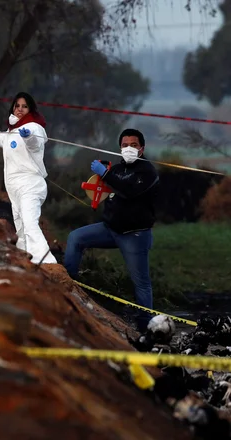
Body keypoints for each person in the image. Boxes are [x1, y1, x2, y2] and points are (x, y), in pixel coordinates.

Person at [63, 128, 159, 331]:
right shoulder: (116, 169)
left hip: (135, 235)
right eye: (125, 145)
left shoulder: (147, 172)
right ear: (120, 148)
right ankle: (68, 285)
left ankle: (146, 330)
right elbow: (105, 189)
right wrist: (102, 177)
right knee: (75, 238)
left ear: (142, 149)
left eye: (133, 145)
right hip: (110, 229)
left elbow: (129, 189)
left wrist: (106, 173)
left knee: (141, 283)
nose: (129, 149)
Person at [0, 92, 57, 265]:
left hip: (30, 184)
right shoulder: (12, 131)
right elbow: (1, 138)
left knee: (30, 222)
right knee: (20, 225)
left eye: (24, 106)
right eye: (17, 105)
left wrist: (28, 137)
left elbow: (35, 143)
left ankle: (47, 263)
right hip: (14, 187)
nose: (20, 109)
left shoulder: (34, 127)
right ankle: (25, 258)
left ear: (30, 109)